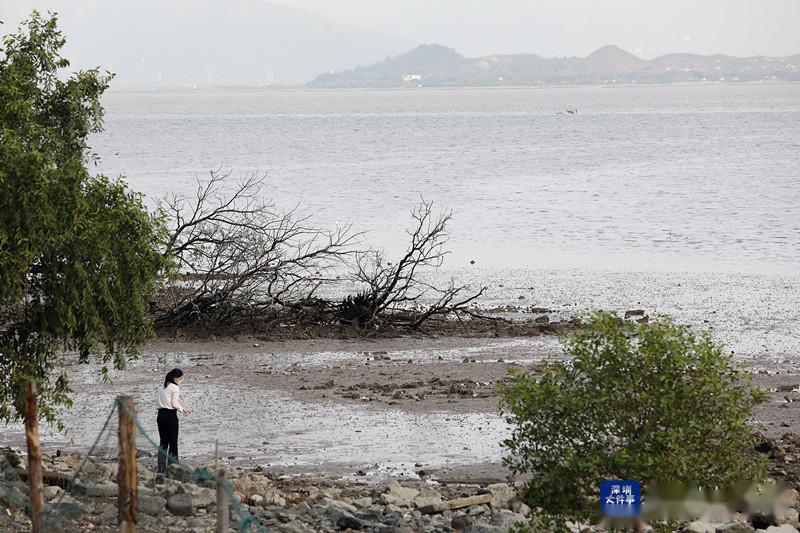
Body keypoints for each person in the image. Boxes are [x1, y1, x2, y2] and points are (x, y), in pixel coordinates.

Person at [156, 368, 189, 476]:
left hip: (160, 416)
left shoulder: (161, 387)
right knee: (173, 442)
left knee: (163, 442)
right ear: (175, 377)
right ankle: (173, 466)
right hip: (170, 416)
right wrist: (182, 409)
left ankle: (161, 467)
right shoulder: (174, 387)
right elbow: (174, 403)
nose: (181, 379)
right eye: (180, 377)